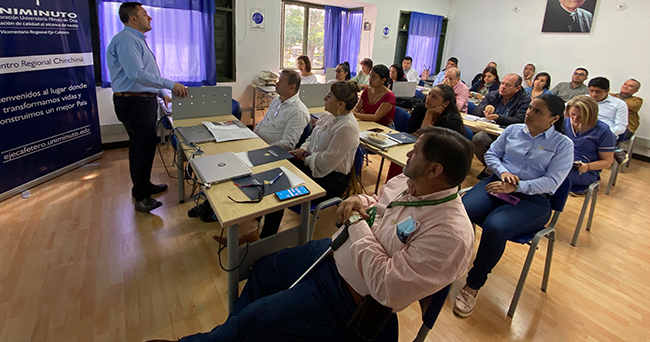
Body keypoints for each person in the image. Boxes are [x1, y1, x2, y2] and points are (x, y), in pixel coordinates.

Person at [167, 127, 475, 342]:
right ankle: (233, 335)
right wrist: (359, 201)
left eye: (415, 153)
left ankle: (225, 335)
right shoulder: (407, 185)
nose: (407, 156)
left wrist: (356, 224)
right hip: (333, 252)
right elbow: (379, 205)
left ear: (434, 170)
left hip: (352, 296)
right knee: (261, 272)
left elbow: (387, 289)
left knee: (253, 321)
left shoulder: (450, 233)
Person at [454, 94, 574, 317]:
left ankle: (473, 286)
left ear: (554, 118)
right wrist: (504, 173)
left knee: (495, 227)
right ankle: (447, 263)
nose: (529, 113)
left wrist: (517, 187)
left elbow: (552, 181)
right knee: (461, 211)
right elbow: (491, 155)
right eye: (530, 108)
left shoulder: (562, 144)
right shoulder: (513, 130)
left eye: (538, 111)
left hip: (534, 199)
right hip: (498, 183)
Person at [107, 2, 188, 213]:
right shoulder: (126, 40)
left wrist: (162, 94)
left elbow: (144, 75)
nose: (149, 18)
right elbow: (136, 74)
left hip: (141, 100)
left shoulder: (136, 40)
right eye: (145, 14)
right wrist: (171, 84)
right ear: (133, 18)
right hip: (133, 103)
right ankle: (141, 196)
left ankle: (144, 186)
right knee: (143, 148)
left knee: (142, 147)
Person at [257, 81, 362, 238]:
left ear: (340, 103)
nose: (324, 98)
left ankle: (266, 238)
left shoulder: (347, 128)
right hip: (313, 165)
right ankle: (255, 225)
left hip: (330, 178)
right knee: (276, 172)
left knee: (280, 188)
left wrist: (305, 158)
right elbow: (311, 138)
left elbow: (327, 162)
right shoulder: (328, 116)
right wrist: (303, 149)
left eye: (329, 96)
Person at [472, 74, 532, 179]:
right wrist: (485, 108)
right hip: (491, 131)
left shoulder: (525, 100)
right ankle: (490, 167)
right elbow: (475, 111)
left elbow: (519, 120)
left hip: (512, 135)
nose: (503, 87)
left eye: (508, 85)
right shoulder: (493, 95)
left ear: (517, 88)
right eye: (502, 83)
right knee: (478, 138)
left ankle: (497, 170)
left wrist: (498, 117)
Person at [564, 96, 615, 194]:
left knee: (555, 173)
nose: (574, 119)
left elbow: (607, 161)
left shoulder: (602, 131)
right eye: (572, 114)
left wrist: (588, 166)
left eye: (580, 117)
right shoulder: (564, 122)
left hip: (584, 170)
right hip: (562, 161)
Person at [254, 70, 310, 150]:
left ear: (292, 87)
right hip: (259, 144)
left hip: (271, 151)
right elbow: (263, 122)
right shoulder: (276, 100)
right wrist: (253, 137)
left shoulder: (298, 111)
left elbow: (287, 144)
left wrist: (264, 148)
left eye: (281, 82)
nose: (276, 84)